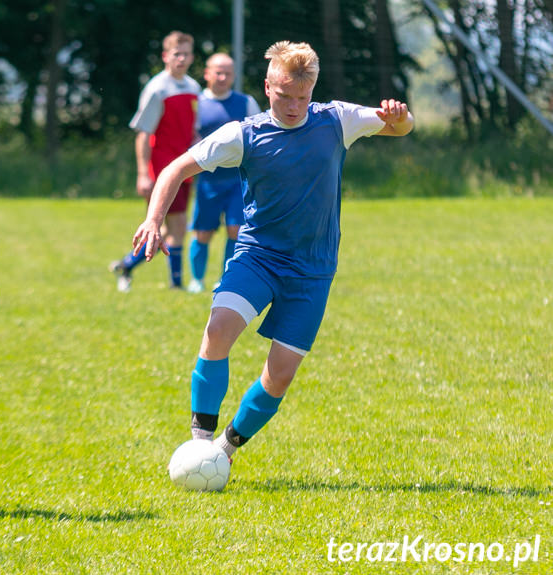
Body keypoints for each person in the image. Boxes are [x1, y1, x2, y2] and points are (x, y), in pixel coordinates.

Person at [132, 41, 413, 465]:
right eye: (285, 96)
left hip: (313, 271)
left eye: (303, 96)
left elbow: (400, 128)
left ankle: (223, 452)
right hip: (258, 256)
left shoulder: (336, 120)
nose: (295, 106)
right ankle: (199, 440)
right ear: (268, 87)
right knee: (218, 329)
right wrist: (154, 219)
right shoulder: (244, 134)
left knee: (279, 375)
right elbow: (176, 167)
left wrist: (400, 117)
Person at [110, 30, 201, 292]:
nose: (181, 59)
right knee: (172, 226)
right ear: (165, 56)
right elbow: (143, 133)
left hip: (185, 168)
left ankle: (128, 266)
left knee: (174, 228)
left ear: (192, 57)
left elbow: (190, 129)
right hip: (161, 169)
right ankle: (173, 283)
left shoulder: (194, 88)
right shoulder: (157, 88)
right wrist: (143, 173)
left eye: (186, 54)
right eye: (176, 54)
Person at [188, 53, 261, 294]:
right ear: (207, 73)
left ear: (234, 76)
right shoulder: (196, 103)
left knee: (236, 230)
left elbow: (258, 134)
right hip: (208, 181)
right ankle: (196, 280)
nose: (222, 77)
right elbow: (187, 136)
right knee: (203, 232)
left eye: (228, 73)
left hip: (238, 181)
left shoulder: (245, 102)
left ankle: (225, 279)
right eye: (217, 72)